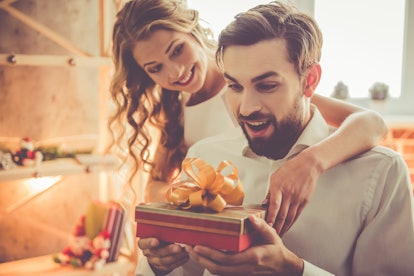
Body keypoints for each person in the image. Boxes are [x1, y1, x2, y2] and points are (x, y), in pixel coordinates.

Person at [136, 1, 414, 275]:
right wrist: (158, 265)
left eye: (267, 85)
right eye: (234, 85)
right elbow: (187, 267)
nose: (246, 109)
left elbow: (372, 122)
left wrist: (293, 270)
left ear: (310, 81)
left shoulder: (380, 174)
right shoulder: (203, 157)